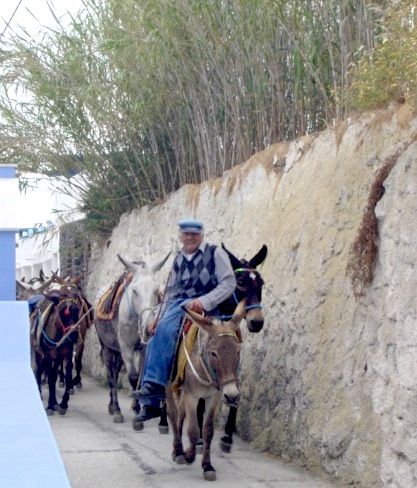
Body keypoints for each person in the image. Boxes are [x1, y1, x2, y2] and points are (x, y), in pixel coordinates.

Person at [136, 218, 237, 422]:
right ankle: (153, 394)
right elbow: (170, 292)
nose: (190, 238)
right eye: (186, 234)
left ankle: (229, 384)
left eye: (194, 234)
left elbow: (228, 283)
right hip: (179, 304)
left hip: (207, 305)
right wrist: (157, 316)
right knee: (159, 331)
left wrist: (204, 301)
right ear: (180, 236)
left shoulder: (215, 253)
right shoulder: (178, 258)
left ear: (201, 235)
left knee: (226, 342)